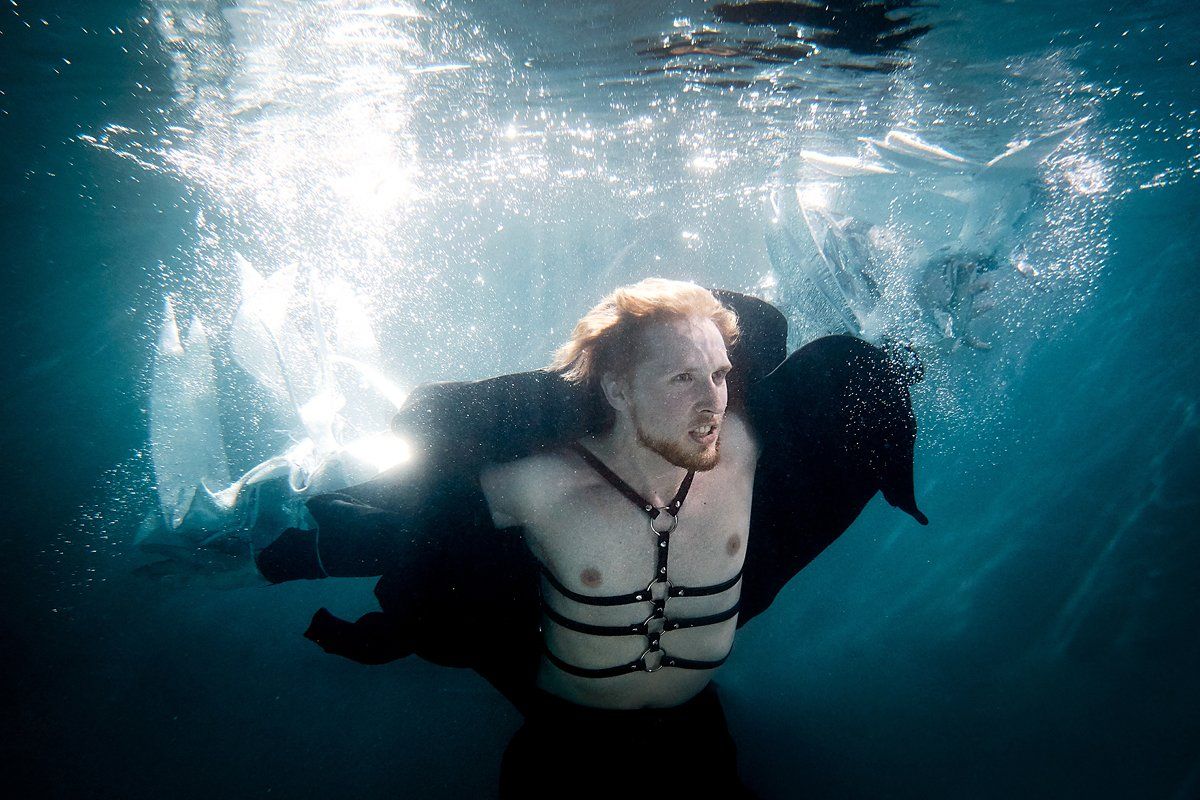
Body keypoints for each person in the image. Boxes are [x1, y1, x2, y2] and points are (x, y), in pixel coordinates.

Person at [255, 279, 928, 797]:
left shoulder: (755, 443)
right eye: (682, 378)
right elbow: (434, 508)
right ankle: (315, 551)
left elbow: (831, 384)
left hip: (691, 725)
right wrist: (387, 619)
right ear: (619, 389)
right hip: (565, 734)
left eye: (719, 376)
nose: (711, 400)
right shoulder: (539, 479)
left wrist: (894, 383)